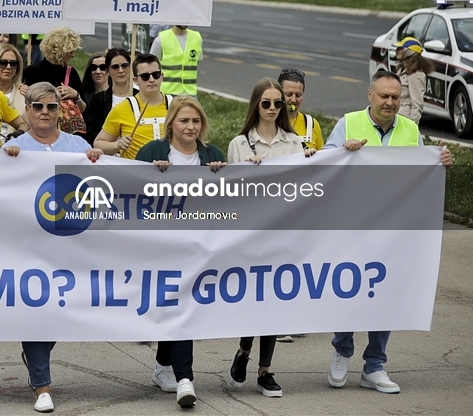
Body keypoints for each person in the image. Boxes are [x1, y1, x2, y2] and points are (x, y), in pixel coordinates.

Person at [324, 70, 452, 395]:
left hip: (394, 233)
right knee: (349, 291)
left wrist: (439, 163)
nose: (390, 102)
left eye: (395, 97)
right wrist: (342, 152)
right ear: (370, 95)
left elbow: (422, 172)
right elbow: (323, 165)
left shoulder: (410, 130)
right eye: (384, 96)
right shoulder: (348, 123)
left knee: (386, 296)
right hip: (351, 229)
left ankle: (375, 366)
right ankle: (342, 351)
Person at [2, 82, 102, 413]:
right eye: (38, 106)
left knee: (64, 309)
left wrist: (96, 160)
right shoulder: (15, 146)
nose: (45, 112)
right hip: (31, 246)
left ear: (61, 111)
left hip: (72, 244)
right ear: (26, 110)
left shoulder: (77, 144)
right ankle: (42, 384)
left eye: (52, 107)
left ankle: (34, 355)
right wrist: (5, 161)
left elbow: (96, 182)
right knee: (37, 310)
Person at [224, 79, 313, 398]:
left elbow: (303, 186)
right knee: (253, 300)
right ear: (256, 105)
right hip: (250, 234)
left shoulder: (293, 141)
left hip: (282, 233)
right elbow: (229, 192)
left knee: (275, 300)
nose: (274, 108)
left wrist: (312, 158)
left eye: (279, 103)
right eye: (267, 103)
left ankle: (265, 370)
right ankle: (244, 352)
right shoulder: (239, 144)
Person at [135, 96, 225, 409]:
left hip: (197, 248)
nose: (190, 127)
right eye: (184, 120)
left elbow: (227, 200)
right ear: (171, 123)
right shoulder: (152, 152)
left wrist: (220, 175)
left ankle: (164, 366)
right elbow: (131, 192)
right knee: (177, 306)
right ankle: (185, 378)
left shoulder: (212, 155)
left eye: (196, 121)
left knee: (180, 306)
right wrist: (150, 173)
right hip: (160, 247)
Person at [95, 54, 172, 159]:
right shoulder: (121, 109)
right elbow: (98, 143)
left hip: (171, 171)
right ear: (135, 80)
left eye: (156, 74)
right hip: (136, 172)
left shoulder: (176, 106)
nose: (151, 79)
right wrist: (117, 145)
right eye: (145, 76)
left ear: (162, 77)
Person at [21, 27, 84, 114]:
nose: (73, 55)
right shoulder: (29, 72)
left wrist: (76, 96)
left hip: (62, 127)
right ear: (60, 51)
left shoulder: (71, 73)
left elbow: (83, 109)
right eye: (71, 51)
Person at [83, 48, 133, 145]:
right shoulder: (97, 100)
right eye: (115, 67)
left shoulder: (139, 96)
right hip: (110, 156)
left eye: (125, 65)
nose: (121, 70)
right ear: (108, 71)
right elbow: (92, 133)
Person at [277, 68, 324, 150]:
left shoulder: (311, 124)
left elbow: (323, 157)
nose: (294, 100)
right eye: (288, 94)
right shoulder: (267, 122)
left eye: (298, 95)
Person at [151, 24, 201, 97]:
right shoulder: (161, 39)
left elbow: (196, 62)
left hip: (190, 94)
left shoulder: (197, 38)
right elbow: (151, 66)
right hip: (167, 93)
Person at [393, 36, 434, 124]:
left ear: (409, 51)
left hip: (404, 120)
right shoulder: (401, 70)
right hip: (394, 118)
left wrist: (411, 127)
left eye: (400, 48)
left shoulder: (417, 75)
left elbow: (417, 106)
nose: (396, 50)